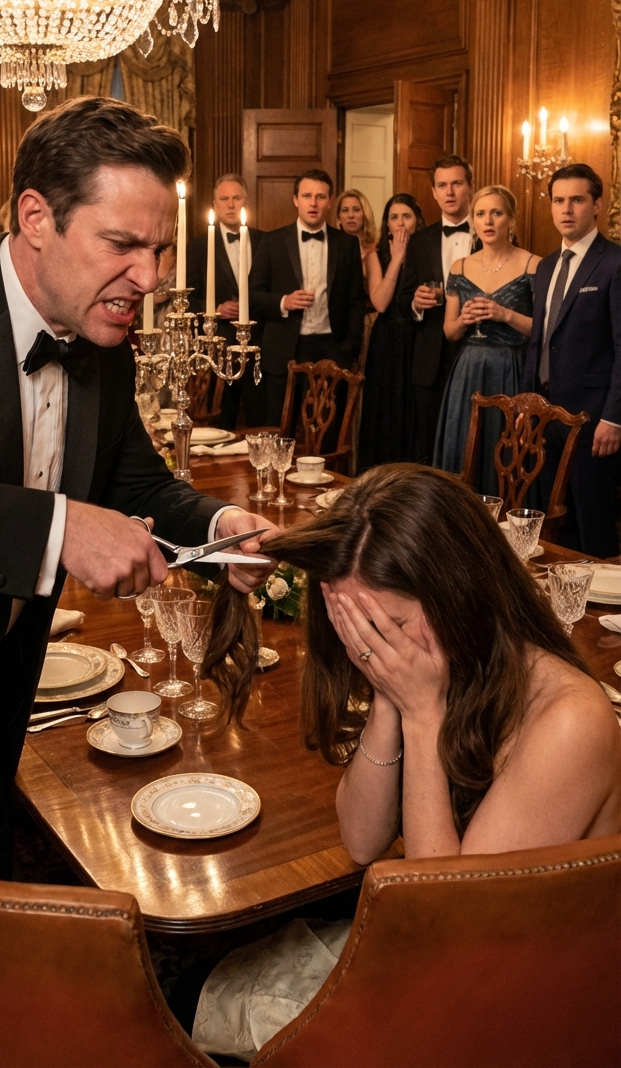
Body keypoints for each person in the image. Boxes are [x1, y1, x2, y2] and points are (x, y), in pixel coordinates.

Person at [0, 96, 272, 879]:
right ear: (36, 217)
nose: (150, 277)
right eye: (123, 244)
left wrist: (219, 527)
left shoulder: (101, 337)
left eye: (160, 249)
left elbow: (135, 478)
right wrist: (59, 527)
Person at [194, 465, 621, 1061]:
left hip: (524, 1001)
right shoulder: (453, 664)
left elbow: (449, 929)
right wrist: (391, 698)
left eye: (389, 626)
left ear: (460, 590)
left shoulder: (568, 720)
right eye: (360, 629)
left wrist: (422, 715)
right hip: (458, 954)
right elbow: (362, 838)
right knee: (223, 982)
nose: (372, 647)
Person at [522, 164, 621, 557]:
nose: (566, 209)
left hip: (594, 420)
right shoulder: (546, 265)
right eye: (558, 200)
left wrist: (614, 418)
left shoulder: (614, 263)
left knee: (592, 524)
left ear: (597, 205)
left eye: (577, 200)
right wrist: (526, 405)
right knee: (552, 523)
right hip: (546, 416)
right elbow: (538, 341)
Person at [434, 186, 539, 492]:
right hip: (468, 371)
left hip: (511, 368)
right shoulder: (460, 266)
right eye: (480, 214)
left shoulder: (533, 264)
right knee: (464, 450)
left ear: (511, 219)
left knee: (505, 451)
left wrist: (505, 315)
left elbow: (544, 331)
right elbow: (449, 331)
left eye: (497, 213)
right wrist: (463, 321)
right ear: (473, 221)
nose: (488, 221)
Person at [249, 170, 366, 427]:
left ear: (330, 201)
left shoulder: (346, 244)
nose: (313, 203)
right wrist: (284, 302)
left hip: (333, 348)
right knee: (281, 429)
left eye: (320, 197)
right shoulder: (272, 241)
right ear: (295, 199)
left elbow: (356, 301)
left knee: (329, 431)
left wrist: (349, 348)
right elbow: (252, 295)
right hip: (285, 348)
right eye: (306, 196)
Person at [399, 155, 476, 463]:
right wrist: (415, 303)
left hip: (476, 350)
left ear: (470, 186)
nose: (450, 192)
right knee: (429, 444)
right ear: (433, 191)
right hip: (430, 357)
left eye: (457, 183)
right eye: (442, 185)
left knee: (473, 442)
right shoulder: (420, 241)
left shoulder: (490, 232)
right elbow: (403, 298)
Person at [187, 174, 264, 427]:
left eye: (236, 198)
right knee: (219, 425)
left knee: (260, 424)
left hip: (258, 348)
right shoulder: (198, 247)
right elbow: (186, 300)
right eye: (224, 199)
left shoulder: (265, 241)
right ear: (214, 203)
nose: (231, 205)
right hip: (216, 350)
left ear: (245, 201)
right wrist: (215, 309)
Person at [357, 194, 425, 471]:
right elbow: (380, 302)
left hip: (418, 336)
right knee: (384, 410)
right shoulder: (376, 253)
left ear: (417, 220)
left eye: (406, 216)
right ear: (386, 224)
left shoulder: (427, 249)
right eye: (394, 217)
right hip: (386, 340)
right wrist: (396, 259)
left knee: (414, 412)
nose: (400, 223)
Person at [335, 188, 377, 307]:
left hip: (371, 312)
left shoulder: (375, 249)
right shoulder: (331, 249)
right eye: (345, 210)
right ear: (339, 217)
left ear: (365, 214)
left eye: (356, 210)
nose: (351, 215)